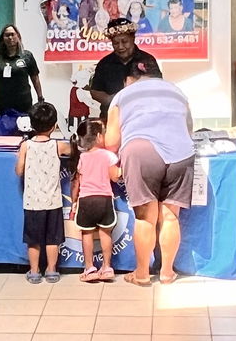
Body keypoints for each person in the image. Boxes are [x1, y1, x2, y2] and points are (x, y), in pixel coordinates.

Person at [107, 63, 193, 285]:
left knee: (145, 217)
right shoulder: (177, 91)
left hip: (140, 151)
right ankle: (166, 272)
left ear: (131, 78)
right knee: (171, 216)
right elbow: (189, 130)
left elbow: (111, 141)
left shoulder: (123, 95)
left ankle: (143, 274)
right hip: (180, 153)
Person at [15, 102, 69, 285]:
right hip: (53, 202)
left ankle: (34, 270)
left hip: (32, 202)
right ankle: (52, 270)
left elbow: (19, 171)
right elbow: (75, 150)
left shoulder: (26, 146)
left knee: (33, 240)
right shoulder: (58, 146)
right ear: (54, 126)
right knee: (53, 239)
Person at [70, 120, 120, 283]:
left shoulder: (83, 157)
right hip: (104, 199)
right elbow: (114, 176)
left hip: (86, 200)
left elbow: (77, 182)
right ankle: (106, 267)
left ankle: (89, 268)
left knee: (87, 234)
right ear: (99, 136)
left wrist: (74, 201)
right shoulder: (109, 156)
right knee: (105, 233)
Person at [88, 18, 160, 118]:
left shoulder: (147, 60)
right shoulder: (104, 63)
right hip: (112, 119)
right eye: (116, 43)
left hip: (143, 117)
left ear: (133, 38)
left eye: (124, 41)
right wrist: (111, 100)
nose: (120, 47)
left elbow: (158, 88)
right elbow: (95, 91)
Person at [0, 25, 44, 116]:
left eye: (12, 34)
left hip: (24, 102)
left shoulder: (27, 56)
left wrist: (40, 97)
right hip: (4, 102)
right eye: (7, 35)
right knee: (8, 128)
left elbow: (35, 78)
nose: (10, 37)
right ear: (2, 38)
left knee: (23, 128)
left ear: (18, 36)